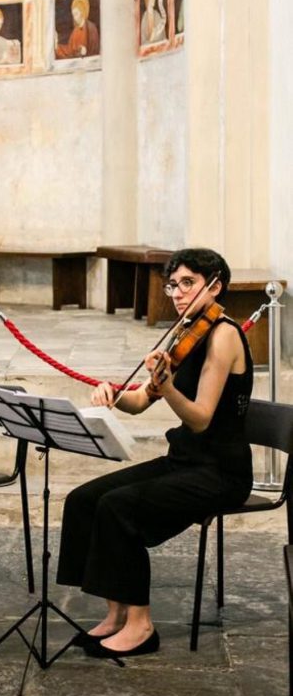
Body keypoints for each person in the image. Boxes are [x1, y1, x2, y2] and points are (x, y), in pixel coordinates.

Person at [56, 248, 254, 658]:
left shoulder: (223, 335)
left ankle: (142, 626)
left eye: (187, 283)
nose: (177, 294)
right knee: (84, 500)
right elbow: (142, 400)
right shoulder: (187, 333)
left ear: (215, 285)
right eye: (172, 284)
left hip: (221, 471)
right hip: (185, 461)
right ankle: (116, 614)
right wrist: (114, 395)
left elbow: (199, 418)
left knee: (118, 507)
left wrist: (167, 388)